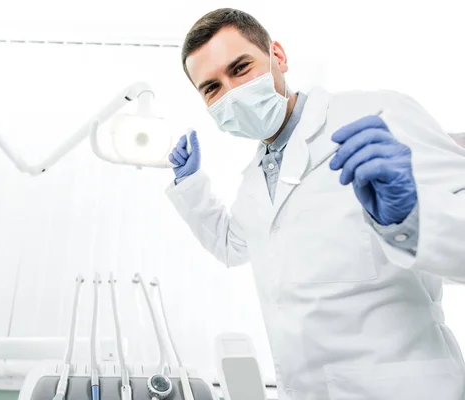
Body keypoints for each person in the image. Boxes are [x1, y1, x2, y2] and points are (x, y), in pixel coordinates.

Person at [166, 8, 465, 400]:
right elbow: (233, 246)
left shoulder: (379, 114)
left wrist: (409, 219)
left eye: (240, 68)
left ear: (278, 56)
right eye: (212, 87)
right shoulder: (256, 178)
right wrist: (189, 185)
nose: (232, 93)